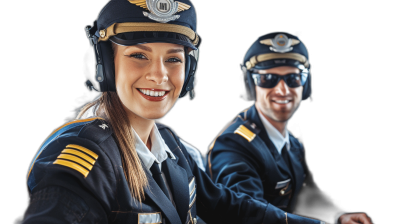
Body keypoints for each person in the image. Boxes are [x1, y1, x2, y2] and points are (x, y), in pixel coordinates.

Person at [21, 1, 327, 223]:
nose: (159, 75)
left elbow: (229, 207)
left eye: (173, 59)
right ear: (107, 66)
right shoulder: (82, 159)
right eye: (138, 55)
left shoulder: (169, 144)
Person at [206, 31, 373, 224]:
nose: (283, 90)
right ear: (252, 85)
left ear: (305, 85)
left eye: (293, 78)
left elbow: (306, 195)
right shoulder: (233, 145)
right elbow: (248, 214)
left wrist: (339, 217)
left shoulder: (292, 143)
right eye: (268, 78)